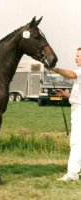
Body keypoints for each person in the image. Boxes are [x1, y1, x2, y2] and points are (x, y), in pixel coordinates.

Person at [50, 47, 81, 181]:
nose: (75, 58)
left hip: (79, 112)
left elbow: (71, 74)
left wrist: (54, 69)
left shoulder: (78, 72)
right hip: (77, 108)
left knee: (76, 143)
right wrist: (66, 94)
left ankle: (72, 174)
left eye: (78, 56)